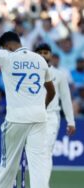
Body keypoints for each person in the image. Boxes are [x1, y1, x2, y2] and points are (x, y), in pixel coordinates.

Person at [0, 1, 56, 188]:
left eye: (1, 48)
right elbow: (51, 90)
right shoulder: (40, 59)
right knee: (39, 165)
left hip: (16, 119)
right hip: (39, 117)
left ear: (7, 46)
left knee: (8, 165)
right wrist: (41, 107)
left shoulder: (7, 57)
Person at [34, 43, 76, 180]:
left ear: (51, 55)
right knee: (35, 153)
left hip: (51, 116)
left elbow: (66, 99)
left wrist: (71, 121)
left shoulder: (59, 75)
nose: (42, 55)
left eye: (46, 52)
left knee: (45, 152)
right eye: (39, 52)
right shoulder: (30, 74)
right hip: (32, 117)